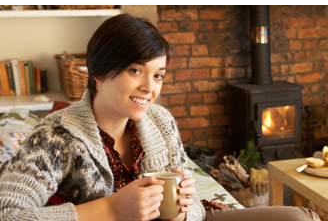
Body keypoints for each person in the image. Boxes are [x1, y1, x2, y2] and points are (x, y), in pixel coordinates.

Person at [0, 13, 321, 221]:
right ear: (98, 72)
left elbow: (194, 207)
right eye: (135, 70)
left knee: (298, 218)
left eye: (158, 76)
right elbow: (7, 213)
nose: (149, 88)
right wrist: (109, 210)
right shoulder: (55, 137)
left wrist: (184, 209)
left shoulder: (160, 121)